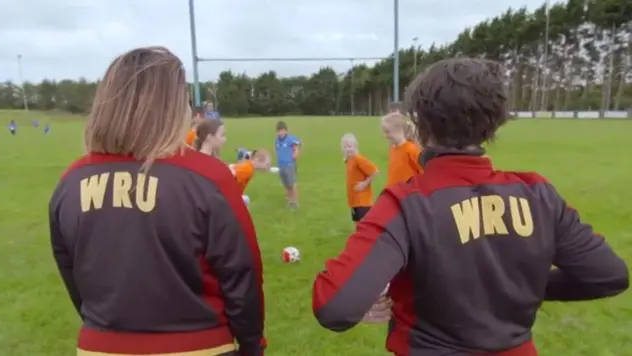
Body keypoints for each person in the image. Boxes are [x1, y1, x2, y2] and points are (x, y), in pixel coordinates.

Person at [311, 58, 628, 356]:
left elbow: (335, 305)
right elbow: (607, 274)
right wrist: (517, 282)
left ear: (420, 126)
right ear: (493, 125)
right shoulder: (538, 193)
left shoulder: (405, 204)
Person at [49, 46, 266, 356]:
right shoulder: (207, 176)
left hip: (100, 345)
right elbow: (242, 273)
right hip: (199, 344)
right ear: (172, 106)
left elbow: (74, 278)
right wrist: (252, 345)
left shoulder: (71, 181)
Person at [341, 133, 378, 223]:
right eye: (345, 147)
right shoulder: (349, 160)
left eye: (350, 146)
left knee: (363, 225)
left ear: (355, 146)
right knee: (358, 225)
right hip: (354, 200)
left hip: (363, 201)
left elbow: (375, 171)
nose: (347, 149)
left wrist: (364, 184)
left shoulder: (358, 159)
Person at [382, 113, 423, 187]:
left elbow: (424, 172)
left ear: (399, 130)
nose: (385, 136)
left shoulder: (411, 149)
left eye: (388, 132)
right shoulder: (393, 149)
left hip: (408, 195)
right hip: (395, 194)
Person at [274, 121, 301, 208]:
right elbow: (277, 150)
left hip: (289, 165)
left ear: (286, 131)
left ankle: (295, 202)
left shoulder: (290, 139)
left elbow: (298, 144)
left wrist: (296, 153)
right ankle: (290, 201)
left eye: (283, 130)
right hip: (281, 165)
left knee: (292, 183)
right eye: (279, 131)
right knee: (286, 185)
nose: (281, 133)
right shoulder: (276, 140)